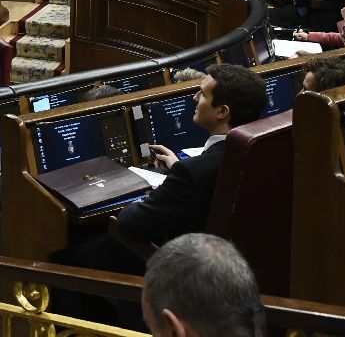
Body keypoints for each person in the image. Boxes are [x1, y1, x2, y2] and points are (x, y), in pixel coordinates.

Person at [58, 66, 269, 298]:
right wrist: (178, 169)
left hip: (186, 272)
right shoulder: (260, 150)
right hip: (240, 262)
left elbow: (130, 224)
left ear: (222, 111)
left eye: (202, 94)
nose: (194, 98)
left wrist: (138, 195)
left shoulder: (193, 173)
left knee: (67, 257)